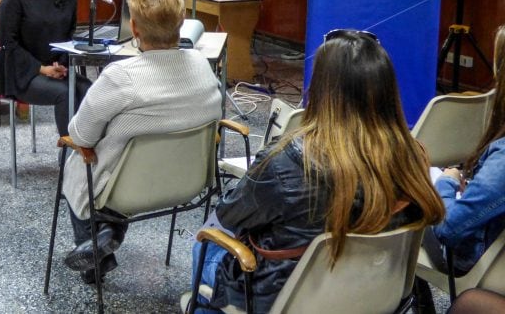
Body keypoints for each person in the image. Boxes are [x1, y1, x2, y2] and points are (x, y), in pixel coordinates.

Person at [184, 29, 445, 313]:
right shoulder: (413, 158)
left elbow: (229, 216)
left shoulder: (289, 162)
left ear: (321, 89)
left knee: (206, 246)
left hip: (287, 296)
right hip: (375, 294)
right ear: (387, 91)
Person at [61, 0, 223, 283]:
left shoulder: (121, 76)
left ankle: (100, 245)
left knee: (75, 159)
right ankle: (108, 232)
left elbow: (81, 135)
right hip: (188, 184)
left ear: (134, 28)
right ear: (183, 21)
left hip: (125, 192)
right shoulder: (203, 65)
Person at [0, 0, 91, 137]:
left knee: (88, 88)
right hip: (20, 73)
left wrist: (61, 65)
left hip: (53, 69)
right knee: (65, 93)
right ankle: (70, 155)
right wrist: (42, 69)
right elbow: (7, 43)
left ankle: (88, 147)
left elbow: (68, 37)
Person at [426, 24, 505, 275]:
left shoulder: (503, 159)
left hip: (473, 261)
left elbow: (449, 229)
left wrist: (446, 183)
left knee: (402, 204)